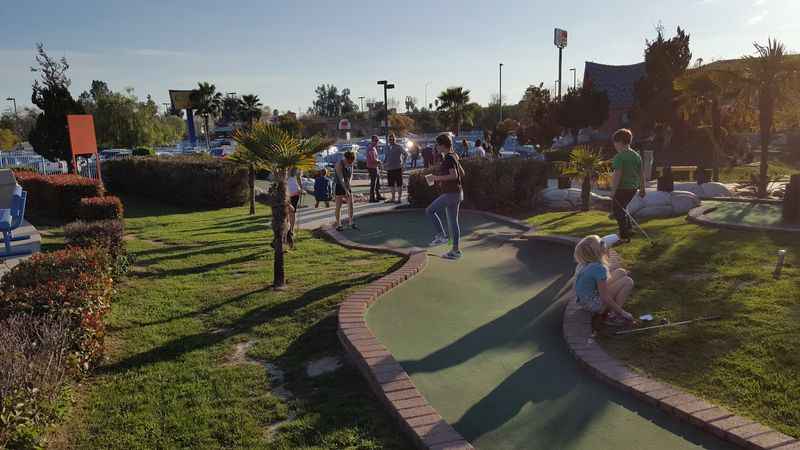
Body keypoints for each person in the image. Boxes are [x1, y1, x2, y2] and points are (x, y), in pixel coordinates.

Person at [573, 235, 635, 326]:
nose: (605, 244)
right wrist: (623, 312)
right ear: (597, 251)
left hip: (583, 301)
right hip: (593, 304)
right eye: (601, 243)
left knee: (620, 272)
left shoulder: (584, 264)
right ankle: (613, 316)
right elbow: (604, 296)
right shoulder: (599, 268)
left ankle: (613, 312)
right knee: (627, 281)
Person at [426, 134, 465, 260]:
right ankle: (455, 251)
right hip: (457, 193)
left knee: (430, 210)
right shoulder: (453, 156)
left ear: (442, 145)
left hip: (451, 194)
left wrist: (435, 178)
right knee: (453, 222)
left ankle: (441, 236)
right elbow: (462, 173)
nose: (436, 147)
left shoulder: (449, 158)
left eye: (437, 144)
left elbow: (454, 175)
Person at [611, 128, 646, 242]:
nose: (615, 146)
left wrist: (613, 191)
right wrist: (642, 188)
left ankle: (624, 235)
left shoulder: (619, 157)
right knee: (624, 208)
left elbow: (618, 175)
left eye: (615, 143)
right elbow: (641, 173)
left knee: (618, 211)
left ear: (620, 142)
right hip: (633, 188)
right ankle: (629, 229)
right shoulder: (636, 156)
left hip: (622, 188)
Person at [334, 150, 358, 231]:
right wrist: (345, 190)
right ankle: (338, 224)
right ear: (346, 159)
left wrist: (349, 184)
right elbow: (341, 179)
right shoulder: (339, 164)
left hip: (347, 185)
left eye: (352, 161)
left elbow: (351, 175)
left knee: (351, 204)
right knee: (338, 205)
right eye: (350, 161)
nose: (351, 162)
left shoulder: (351, 164)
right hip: (339, 186)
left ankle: (351, 222)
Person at [383, 134, 408, 203]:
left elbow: (406, 154)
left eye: (393, 139)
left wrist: (403, 163)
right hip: (389, 169)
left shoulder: (398, 147)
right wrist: (384, 163)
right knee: (391, 184)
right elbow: (386, 157)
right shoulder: (387, 148)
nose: (391, 141)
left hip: (397, 168)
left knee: (399, 184)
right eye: (390, 139)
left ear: (395, 139)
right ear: (388, 140)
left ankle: (399, 199)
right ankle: (393, 198)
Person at [286, 168, 302, 248]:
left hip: (295, 193)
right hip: (287, 193)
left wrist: (301, 189)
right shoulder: (286, 167)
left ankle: (291, 230)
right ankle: (287, 230)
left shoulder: (297, 167)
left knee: (292, 212)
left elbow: (299, 179)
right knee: (287, 212)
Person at [366, 135, 384, 202]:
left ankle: (378, 195)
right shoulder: (371, 148)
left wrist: (378, 162)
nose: (377, 142)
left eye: (377, 140)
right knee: (374, 183)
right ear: (372, 140)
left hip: (375, 167)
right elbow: (373, 159)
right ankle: (372, 198)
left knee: (377, 182)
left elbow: (375, 158)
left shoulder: (374, 147)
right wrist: (379, 161)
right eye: (376, 140)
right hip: (372, 167)